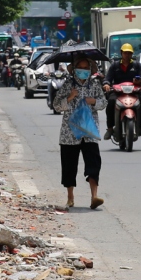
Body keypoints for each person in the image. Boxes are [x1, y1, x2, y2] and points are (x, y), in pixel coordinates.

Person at [51, 57, 107, 209]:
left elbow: (103, 103)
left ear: (90, 69)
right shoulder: (68, 85)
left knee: (94, 164)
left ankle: (94, 197)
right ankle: (70, 197)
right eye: (80, 67)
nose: (83, 71)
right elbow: (56, 105)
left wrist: (93, 101)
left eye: (86, 68)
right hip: (70, 132)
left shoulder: (95, 85)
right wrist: (70, 97)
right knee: (69, 165)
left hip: (89, 131)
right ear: (75, 69)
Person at [103, 43, 141, 140]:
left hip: (134, 92)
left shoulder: (136, 65)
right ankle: (110, 128)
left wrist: (140, 81)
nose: (127, 55)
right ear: (121, 53)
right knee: (111, 103)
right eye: (125, 53)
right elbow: (108, 78)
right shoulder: (115, 66)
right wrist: (106, 84)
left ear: (132, 54)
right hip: (117, 92)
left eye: (129, 53)